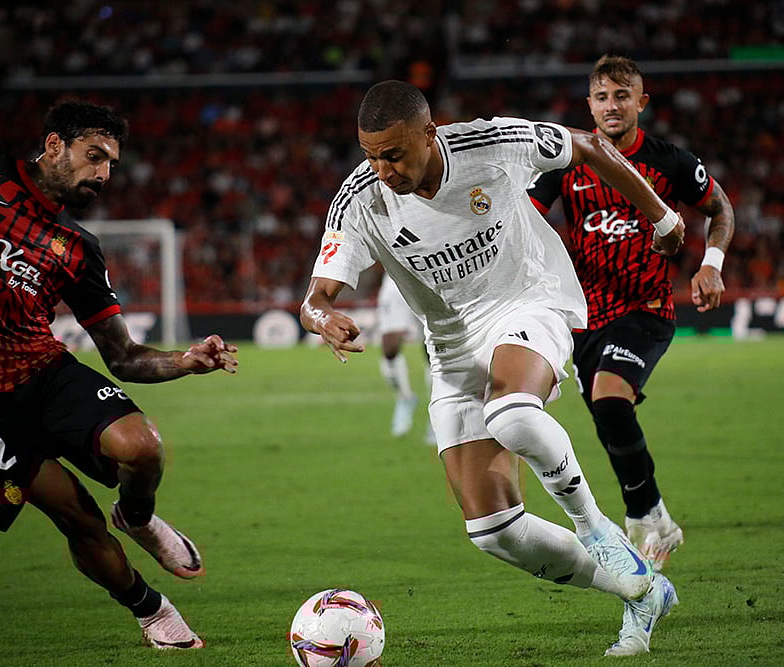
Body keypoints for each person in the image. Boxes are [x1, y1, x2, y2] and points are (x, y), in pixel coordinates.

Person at [301, 80, 686, 657]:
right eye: (371, 154)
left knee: (510, 412)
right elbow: (314, 297)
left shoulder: (491, 142)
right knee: (495, 531)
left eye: (394, 153)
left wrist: (660, 216)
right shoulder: (362, 198)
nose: (382, 168)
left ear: (429, 134)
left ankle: (595, 527)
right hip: (451, 347)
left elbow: (587, 145)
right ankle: (640, 588)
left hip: (529, 299)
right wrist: (324, 317)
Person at [0, 100, 238, 650]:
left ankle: (137, 515)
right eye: (94, 155)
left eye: (111, 163)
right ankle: (149, 609)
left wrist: (185, 359)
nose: (104, 174)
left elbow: (124, 357)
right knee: (77, 517)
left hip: (43, 372)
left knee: (143, 447)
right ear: (54, 144)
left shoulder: (79, 248)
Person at [528, 55, 735, 570]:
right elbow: (526, 218)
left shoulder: (670, 162)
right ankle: (657, 518)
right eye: (601, 97)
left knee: (611, 400)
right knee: (606, 417)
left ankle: (641, 520)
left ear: (641, 102)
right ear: (589, 105)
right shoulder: (567, 163)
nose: (611, 106)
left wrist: (712, 263)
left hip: (646, 310)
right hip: (583, 318)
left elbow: (720, 208)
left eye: (622, 96)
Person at [376, 271, 434, 443]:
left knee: (433, 347)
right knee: (390, 348)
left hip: (427, 275)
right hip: (395, 278)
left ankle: (436, 415)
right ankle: (404, 398)